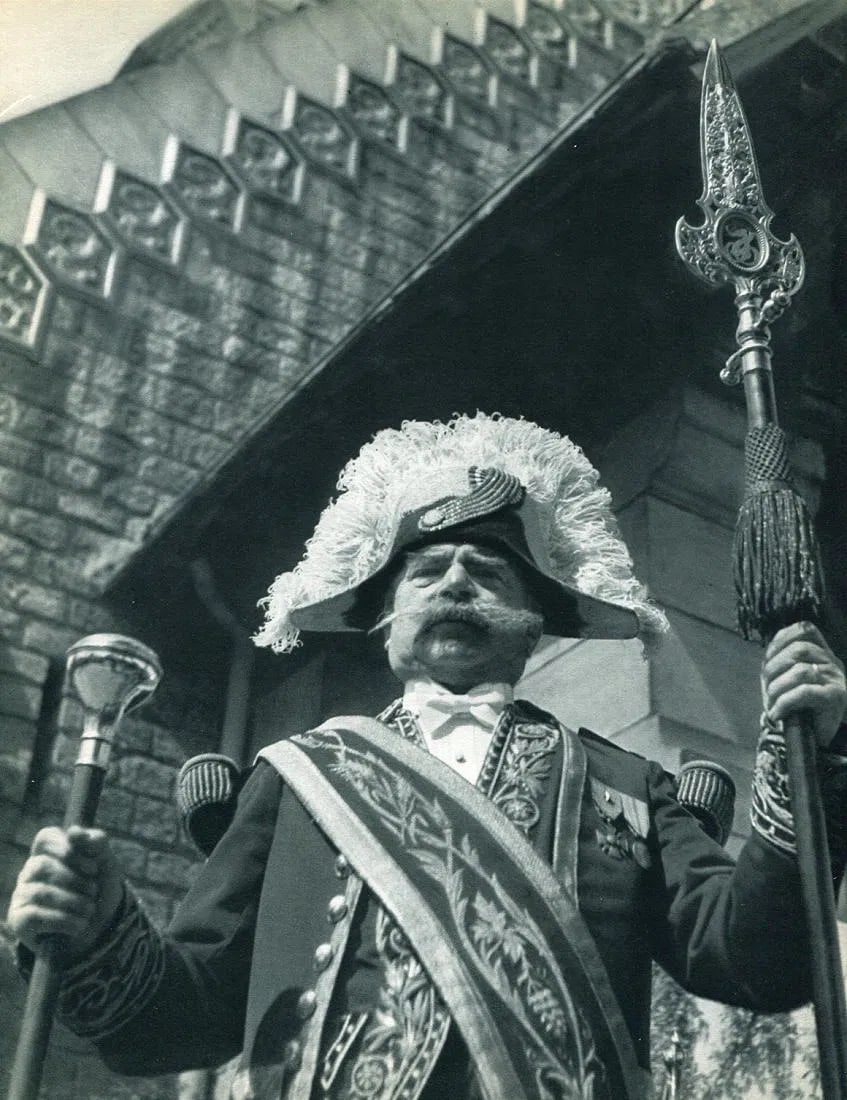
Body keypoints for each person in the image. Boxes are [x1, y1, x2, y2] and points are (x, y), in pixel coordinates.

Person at [8, 413, 847, 1100]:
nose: (452, 585)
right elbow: (184, 1017)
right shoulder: (300, 778)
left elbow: (755, 962)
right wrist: (95, 934)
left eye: (486, 570)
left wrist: (808, 762)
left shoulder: (624, 783)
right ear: (383, 617)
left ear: (536, 617)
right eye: (425, 572)